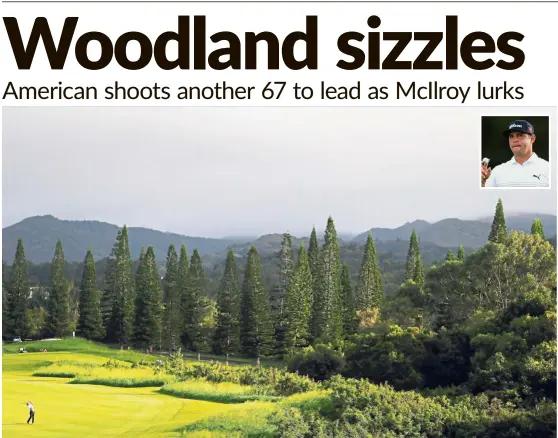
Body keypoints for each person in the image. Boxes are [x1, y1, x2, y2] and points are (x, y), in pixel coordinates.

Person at [482, 119, 550, 188]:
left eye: (520, 135)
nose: (514, 140)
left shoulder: (549, 169)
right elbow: (485, 197)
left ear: (532, 138)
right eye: (511, 136)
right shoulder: (497, 171)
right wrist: (482, 183)